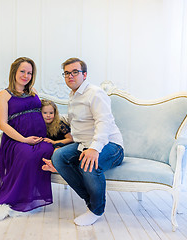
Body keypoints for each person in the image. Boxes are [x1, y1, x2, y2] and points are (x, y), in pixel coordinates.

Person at [42, 57, 124, 226]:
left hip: (110, 145)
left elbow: (104, 122)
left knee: (87, 163)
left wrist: (94, 149)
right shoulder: (73, 95)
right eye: (66, 73)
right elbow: (75, 121)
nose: (70, 76)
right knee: (58, 157)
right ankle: (91, 201)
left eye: (75, 72)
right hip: (83, 144)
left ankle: (96, 210)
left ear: (84, 75)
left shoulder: (94, 93)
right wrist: (48, 116)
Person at [0, 57, 54, 212]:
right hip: (16, 140)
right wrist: (24, 139)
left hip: (37, 139)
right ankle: (17, 196)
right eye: (22, 71)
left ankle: (32, 195)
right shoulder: (4, 95)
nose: (26, 76)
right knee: (27, 155)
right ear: (14, 72)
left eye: (29, 73)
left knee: (47, 150)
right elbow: (3, 124)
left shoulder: (33, 92)